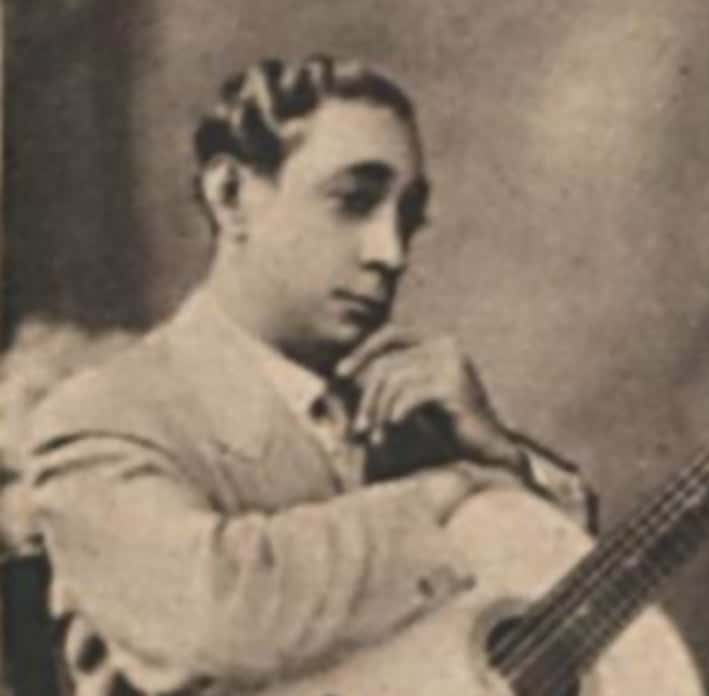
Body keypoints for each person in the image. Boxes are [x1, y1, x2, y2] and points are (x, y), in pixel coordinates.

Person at [22, 55, 595, 696]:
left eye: (408, 217)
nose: (390, 253)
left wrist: (503, 459)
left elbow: (555, 597)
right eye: (353, 202)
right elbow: (225, 611)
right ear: (230, 195)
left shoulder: (408, 419)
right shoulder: (102, 416)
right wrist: (453, 495)